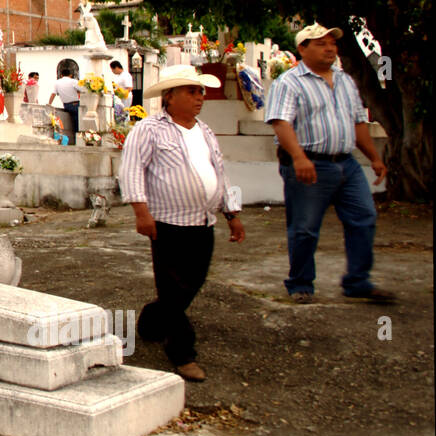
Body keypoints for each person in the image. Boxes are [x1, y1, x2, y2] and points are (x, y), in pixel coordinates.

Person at [119, 64, 245, 382]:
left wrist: (232, 213)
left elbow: (220, 172)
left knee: (193, 282)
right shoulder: (149, 129)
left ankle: (151, 320)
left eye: (200, 91)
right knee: (174, 289)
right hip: (167, 223)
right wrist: (141, 212)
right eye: (192, 91)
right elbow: (131, 170)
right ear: (170, 96)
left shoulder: (204, 131)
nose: (199, 97)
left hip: (203, 222)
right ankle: (182, 353)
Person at [264, 24, 393, 304]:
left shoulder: (345, 81)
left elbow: (358, 122)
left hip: (346, 163)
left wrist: (373, 157)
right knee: (305, 227)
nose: (330, 48)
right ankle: (301, 284)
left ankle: (357, 281)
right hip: (309, 163)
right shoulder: (289, 82)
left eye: (332, 43)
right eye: (321, 43)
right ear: (302, 48)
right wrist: (298, 157)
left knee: (364, 217)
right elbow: (280, 122)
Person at [47, 68, 80, 138]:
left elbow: (53, 94)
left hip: (66, 105)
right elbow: (82, 90)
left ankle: (74, 136)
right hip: (75, 104)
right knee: (78, 122)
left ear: (61, 75)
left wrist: (49, 104)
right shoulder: (74, 81)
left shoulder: (57, 82)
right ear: (70, 75)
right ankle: (78, 137)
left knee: (73, 121)